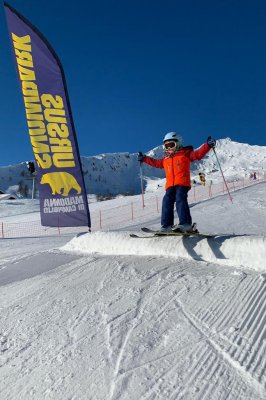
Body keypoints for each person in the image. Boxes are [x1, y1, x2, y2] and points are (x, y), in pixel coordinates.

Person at [138, 132, 216, 232]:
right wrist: (144, 158)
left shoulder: (186, 154)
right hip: (170, 185)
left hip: (182, 183)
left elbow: (198, 154)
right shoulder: (165, 159)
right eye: (166, 146)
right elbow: (156, 163)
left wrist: (208, 145)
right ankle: (166, 225)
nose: (169, 148)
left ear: (178, 144)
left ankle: (185, 223)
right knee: (166, 201)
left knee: (180, 198)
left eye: (171, 145)